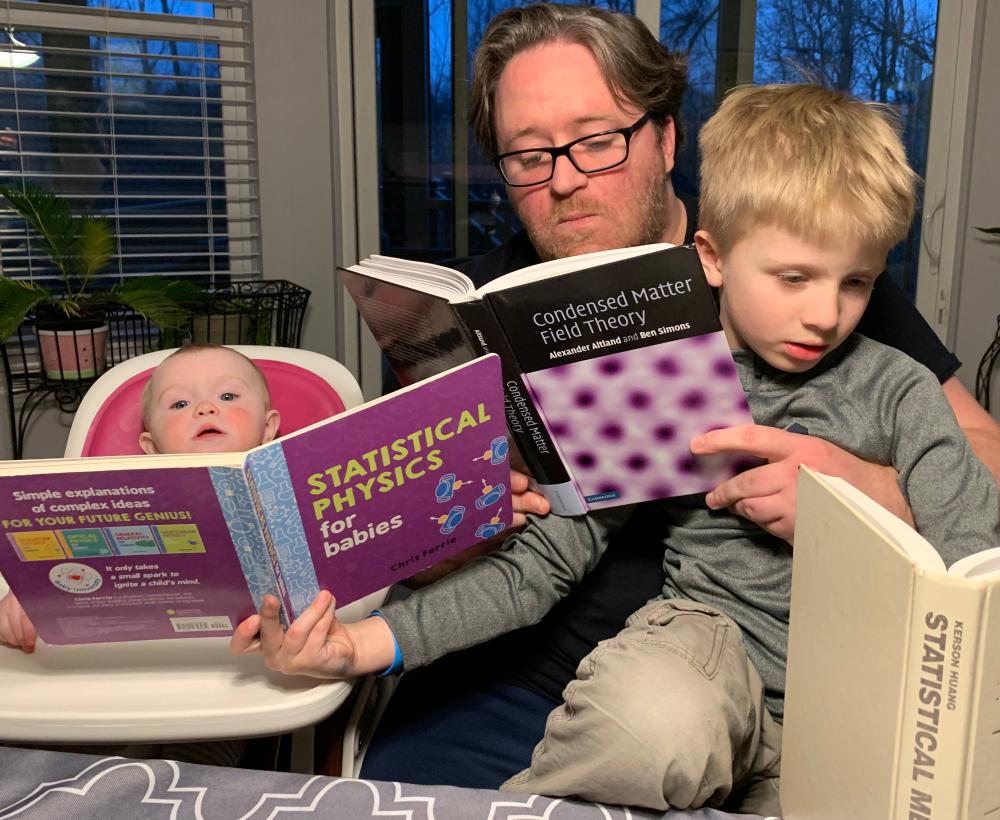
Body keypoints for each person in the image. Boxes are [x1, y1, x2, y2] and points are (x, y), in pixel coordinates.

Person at [260, 1, 1000, 793]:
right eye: (528, 155)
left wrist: (853, 497)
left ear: (665, 137)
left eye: (596, 139)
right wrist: (437, 545)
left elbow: (971, 516)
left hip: (813, 679)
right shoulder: (479, 310)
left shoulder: (811, 256)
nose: (566, 177)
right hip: (546, 669)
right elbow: (521, 562)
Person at [0, 343, 279, 767]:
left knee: (203, 760)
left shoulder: (292, 497)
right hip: (126, 674)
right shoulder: (114, 503)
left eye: (227, 397)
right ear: (150, 446)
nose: (205, 408)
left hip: (240, 676)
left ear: (268, 427)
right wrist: (30, 595)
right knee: (88, 759)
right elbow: (67, 567)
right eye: (181, 403)